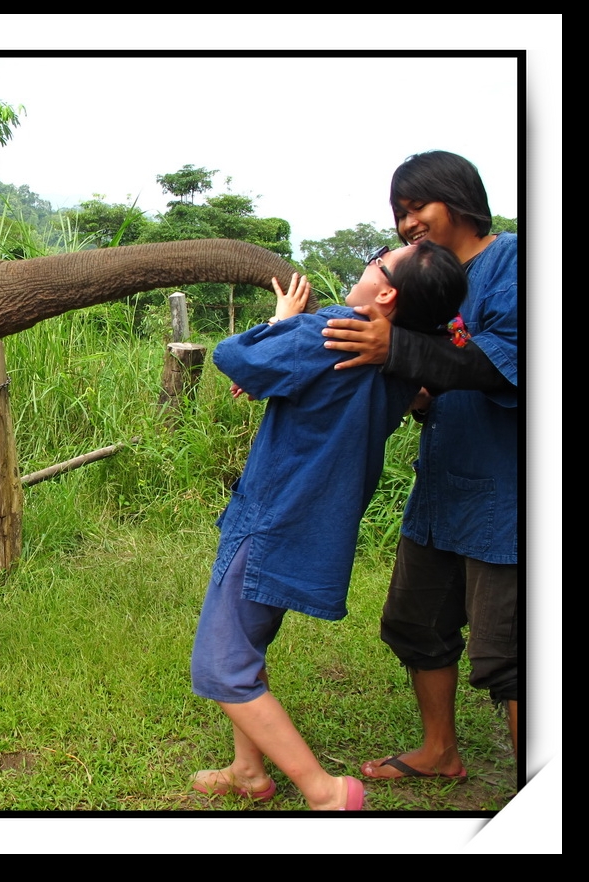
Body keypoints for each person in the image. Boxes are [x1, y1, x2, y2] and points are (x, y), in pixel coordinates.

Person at [191, 241, 468, 810]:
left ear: (386, 293)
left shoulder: (337, 328)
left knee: (221, 665)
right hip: (312, 520)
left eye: (378, 258)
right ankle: (248, 770)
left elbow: (233, 356)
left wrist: (278, 324)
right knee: (248, 639)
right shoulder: (402, 356)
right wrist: (277, 362)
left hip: (271, 515)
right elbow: (301, 383)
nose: (370, 263)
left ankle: (324, 790)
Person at [321, 150, 518, 780]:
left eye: (416, 207)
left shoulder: (513, 262)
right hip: (442, 489)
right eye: (399, 214)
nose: (407, 224)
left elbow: (501, 359)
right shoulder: (425, 281)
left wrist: (397, 346)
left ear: (458, 199)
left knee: (510, 651)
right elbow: (435, 373)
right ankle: (440, 751)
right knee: (417, 622)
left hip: (508, 494)